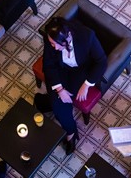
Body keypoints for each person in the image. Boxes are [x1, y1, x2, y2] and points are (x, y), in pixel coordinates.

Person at [43, 17, 107, 155]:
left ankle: (44, 103)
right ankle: (71, 132)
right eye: (51, 44)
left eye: (57, 44)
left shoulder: (87, 36)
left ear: (69, 36)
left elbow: (101, 61)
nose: (55, 47)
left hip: (80, 70)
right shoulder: (51, 37)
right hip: (59, 70)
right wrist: (59, 89)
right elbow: (48, 65)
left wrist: (87, 84)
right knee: (59, 101)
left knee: (63, 100)